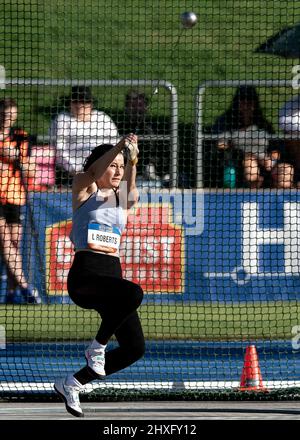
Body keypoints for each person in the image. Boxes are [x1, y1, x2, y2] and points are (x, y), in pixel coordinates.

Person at [54, 133, 145, 417]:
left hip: (111, 278)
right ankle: (97, 347)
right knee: (134, 293)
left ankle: (73, 383)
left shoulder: (119, 199)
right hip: (85, 277)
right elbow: (92, 172)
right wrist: (119, 146)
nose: (117, 171)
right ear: (100, 165)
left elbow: (133, 195)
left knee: (134, 348)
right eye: (113, 166)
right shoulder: (85, 187)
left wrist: (132, 157)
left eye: (121, 167)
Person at [0, 98, 41, 304]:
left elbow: (31, 168)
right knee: (6, 242)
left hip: (15, 195)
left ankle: (10, 293)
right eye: (4, 114)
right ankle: (26, 288)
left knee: (15, 244)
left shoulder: (21, 137)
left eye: (11, 115)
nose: (8, 118)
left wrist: (15, 157)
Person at [207, 85, 277, 188]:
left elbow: (276, 148)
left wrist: (272, 159)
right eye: (243, 101)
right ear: (237, 103)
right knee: (250, 164)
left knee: (286, 171)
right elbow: (221, 144)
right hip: (238, 161)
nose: (247, 105)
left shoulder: (263, 124)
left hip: (265, 163)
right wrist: (245, 153)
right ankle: (254, 196)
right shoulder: (226, 122)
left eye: (250, 101)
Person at [49, 85, 119, 186]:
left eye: (84, 102)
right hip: (72, 175)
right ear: (70, 103)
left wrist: (106, 165)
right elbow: (59, 149)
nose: (80, 105)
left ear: (91, 104)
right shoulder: (62, 119)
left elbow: (115, 144)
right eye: (76, 101)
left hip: (104, 171)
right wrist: (75, 170)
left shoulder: (103, 118)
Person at [117, 89, 171, 187]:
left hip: (151, 173)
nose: (137, 110)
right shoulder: (119, 126)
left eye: (140, 106)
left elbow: (162, 153)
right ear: (127, 107)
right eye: (133, 106)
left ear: (146, 107)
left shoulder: (155, 127)